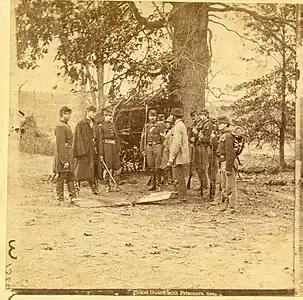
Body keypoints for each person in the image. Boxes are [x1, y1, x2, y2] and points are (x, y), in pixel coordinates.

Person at [73, 105, 100, 195]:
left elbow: (98, 137)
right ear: (87, 112)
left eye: (95, 112)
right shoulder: (80, 124)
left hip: (93, 150)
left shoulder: (95, 124)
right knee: (80, 169)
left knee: (92, 169)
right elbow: (77, 139)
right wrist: (81, 152)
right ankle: (76, 187)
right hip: (83, 150)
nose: (94, 114)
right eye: (93, 112)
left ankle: (93, 187)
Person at [53, 106, 77, 203]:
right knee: (62, 175)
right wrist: (64, 160)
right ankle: (60, 197)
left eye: (70, 114)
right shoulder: (60, 126)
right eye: (68, 114)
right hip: (63, 153)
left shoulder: (66, 125)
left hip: (69, 152)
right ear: (63, 113)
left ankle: (72, 195)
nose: (70, 116)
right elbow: (60, 144)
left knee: (70, 174)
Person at [217, 116, 238, 213]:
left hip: (228, 162)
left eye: (221, 123)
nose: (219, 125)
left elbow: (231, 153)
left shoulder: (228, 136)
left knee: (230, 186)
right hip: (223, 162)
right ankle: (225, 205)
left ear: (226, 124)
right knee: (224, 186)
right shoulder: (223, 135)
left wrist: (229, 168)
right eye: (218, 123)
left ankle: (232, 207)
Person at [167, 108, 189, 200]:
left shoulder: (178, 126)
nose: (170, 117)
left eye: (171, 115)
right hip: (179, 154)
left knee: (178, 175)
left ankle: (182, 195)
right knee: (177, 174)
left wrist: (171, 157)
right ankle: (178, 193)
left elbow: (176, 143)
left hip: (178, 154)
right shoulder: (179, 125)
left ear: (174, 116)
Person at [140, 109, 164, 191]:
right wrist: (142, 149)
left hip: (157, 145)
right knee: (151, 165)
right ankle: (152, 184)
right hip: (149, 147)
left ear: (156, 117)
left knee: (158, 166)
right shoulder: (146, 126)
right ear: (148, 117)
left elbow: (163, 138)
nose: (152, 118)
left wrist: (163, 148)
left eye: (154, 116)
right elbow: (143, 138)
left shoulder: (160, 125)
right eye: (151, 116)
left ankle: (158, 184)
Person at [191, 109, 213, 196]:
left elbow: (207, 139)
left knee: (205, 167)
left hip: (206, 147)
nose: (201, 117)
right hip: (201, 146)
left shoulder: (209, 125)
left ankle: (206, 186)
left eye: (203, 115)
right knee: (199, 166)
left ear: (207, 115)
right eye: (201, 115)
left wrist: (198, 134)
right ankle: (203, 185)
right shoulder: (203, 124)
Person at [99, 108, 121, 192]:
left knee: (117, 166)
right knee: (107, 166)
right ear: (105, 116)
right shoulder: (101, 126)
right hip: (106, 147)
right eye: (108, 115)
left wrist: (119, 148)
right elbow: (100, 140)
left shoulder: (113, 125)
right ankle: (107, 185)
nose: (110, 117)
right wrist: (101, 153)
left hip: (114, 147)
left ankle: (116, 185)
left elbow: (117, 137)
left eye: (111, 115)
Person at [160, 115, 174, 185]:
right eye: (166, 123)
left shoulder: (172, 131)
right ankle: (166, 179)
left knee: (170, 164)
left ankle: (170, 178)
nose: (166, 124)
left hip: (171, 149)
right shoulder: (165, 131)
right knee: (164, 165)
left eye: (168, 123)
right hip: (165, 149)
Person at [208, 118, 219, 201]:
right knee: (211, 172)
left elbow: (216, 144)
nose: (214, 125)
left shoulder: (219, 134)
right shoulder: (213, 133)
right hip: (213, 154)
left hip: (217, 155)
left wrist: (214, 138)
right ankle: (212, 192)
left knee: (215, 174)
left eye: (216, 124)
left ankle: (215, 193)